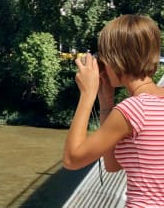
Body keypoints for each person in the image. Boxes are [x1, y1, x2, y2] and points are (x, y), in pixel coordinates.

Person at [63, 14, 164, 206]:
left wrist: (87, 94)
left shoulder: (134, 110)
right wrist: (106, 102)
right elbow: (112, 164)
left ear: (114, 60)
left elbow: (71, 159)